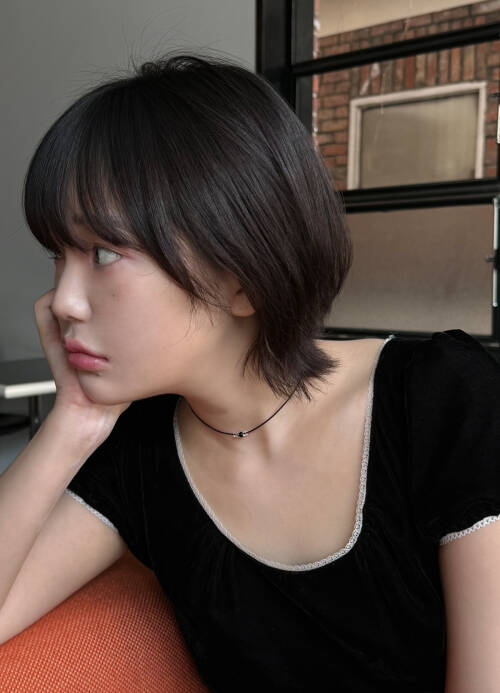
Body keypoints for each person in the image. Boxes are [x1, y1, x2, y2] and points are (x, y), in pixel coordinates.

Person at [0, 50, 499, 692]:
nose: (62, 303)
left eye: (103, 253)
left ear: (243, 274)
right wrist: (71, 421)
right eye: (58, 255)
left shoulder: (440, 400)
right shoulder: (138, 456)